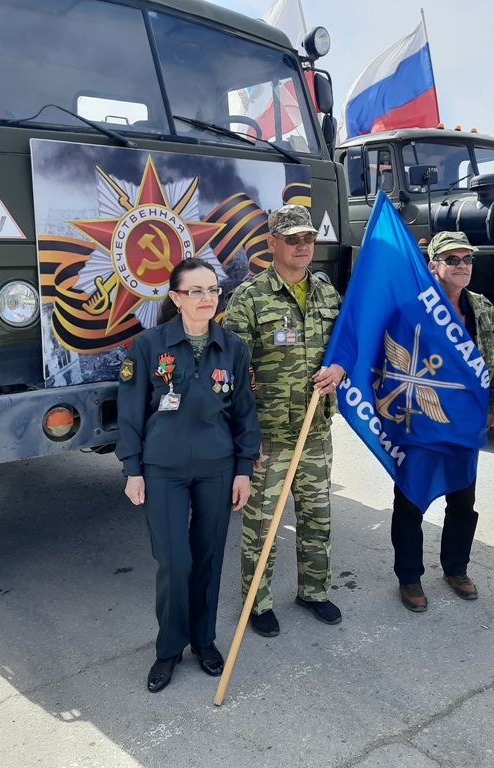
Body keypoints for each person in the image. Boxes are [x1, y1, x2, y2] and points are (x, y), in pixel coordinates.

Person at [117, 257, 261, 692]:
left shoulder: (232, 347)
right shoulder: (148, 346)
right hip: (163, 471)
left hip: (217, 470)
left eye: (213, 290)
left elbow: (244, 414)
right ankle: (169, 647)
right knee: (175, 562)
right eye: (195, 291)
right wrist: (132, 469)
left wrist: (242, 469)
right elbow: (130, 412)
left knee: (209, 559)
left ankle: (203, 640)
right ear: (176, 298)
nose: (207, 298)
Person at [223, 204, 345, 638]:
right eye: (292, 238)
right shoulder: (250, 297)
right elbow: (229, 375)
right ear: (271, 243)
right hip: (268, 436)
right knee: (262, 525)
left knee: (317, 516)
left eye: (308, 238)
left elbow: (346, 348)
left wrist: (341, 370)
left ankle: (314, 591)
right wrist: (242, 436)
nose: (302, 246)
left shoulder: (329, 295)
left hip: (315, 431)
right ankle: (258, 602)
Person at [392, 231, 494, 612]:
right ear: (433, 265)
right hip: (420, 424)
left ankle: (456, 568)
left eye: (467, 259)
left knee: (463, 500)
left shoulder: (483, 308)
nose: (461, 266)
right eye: (452, 259)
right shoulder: (411, 308)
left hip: (464, 425)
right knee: (409, 503)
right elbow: (390, 364)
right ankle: (409, 576)